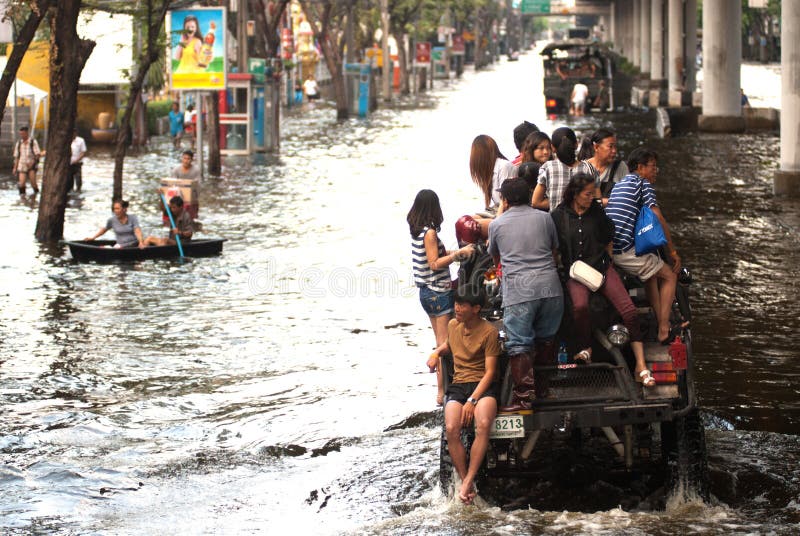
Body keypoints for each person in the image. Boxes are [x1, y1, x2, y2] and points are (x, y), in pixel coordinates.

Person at [551, 173, 654, 386]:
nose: (592, 198)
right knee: (579, 307)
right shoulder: (558, 216)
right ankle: (585, 347)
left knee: (629, 311)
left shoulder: (597, 212)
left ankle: (641, 365)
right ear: (575, 194)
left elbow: (609, 237)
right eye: (588, 194)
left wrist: (607, 261)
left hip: (602, 269)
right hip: (577, 273)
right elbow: (554, 248)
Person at [488, 178, 563, 411]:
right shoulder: (545, 218)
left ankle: (523, 399)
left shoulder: (497, 225)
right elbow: (554, 250)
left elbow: (496, 258)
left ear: (506, 199)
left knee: (519, 344)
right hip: (551, 289)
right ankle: (543, 390)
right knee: (546, 339)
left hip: (520, 292)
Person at [427, 285, 499, 504]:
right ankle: (466, 478)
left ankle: (467, 481)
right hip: (459, 384)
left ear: (476, 308)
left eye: (462, 305)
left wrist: (472, 401)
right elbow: (449, 344)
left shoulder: (489, 332)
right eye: (456, 304)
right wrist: (436, 352)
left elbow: (490, 373)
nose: (456, 308)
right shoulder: (452, 325)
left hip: (481, 386)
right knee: (451, 427)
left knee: (483, 423)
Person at [606, 147, 680, 345]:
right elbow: (657, 216)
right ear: (640, 168)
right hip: (626, 250)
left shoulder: (619, 185)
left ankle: (659, 321)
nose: (656, 171)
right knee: (670, 275)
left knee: (651, 276)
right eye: (653, 167)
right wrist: (672, 252)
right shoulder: (642, 184)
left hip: (613, 249)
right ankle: (664, 329)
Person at [409, 190, 475, 406]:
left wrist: (459, 251)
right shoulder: (429, 233)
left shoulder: (418, 232)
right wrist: (457, 255)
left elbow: (439, 254)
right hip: (438, 292)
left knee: (440, 340)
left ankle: (442, 391)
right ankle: (442, 392)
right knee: (444, 343)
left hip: (426, 293)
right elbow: (435, 263)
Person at [532, 127, 592, 212]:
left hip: (556, 223)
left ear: (552, 148)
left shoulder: (548, 168)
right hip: (583, 223)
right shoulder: (589, 168)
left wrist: (556, 201)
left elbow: (536, 202)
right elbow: (596, 199)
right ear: (576, 144)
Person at [469, 134, 514, 213]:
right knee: (465, 220)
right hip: (500, 210)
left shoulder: (504, 166)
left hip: (508, 212)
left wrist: (496, 222)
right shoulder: (490, 171)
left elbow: (506, 201)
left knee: (467, 223)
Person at [583, 128, 628, 205]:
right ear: (596, 147)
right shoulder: (584, 168)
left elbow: (627, 198)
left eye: (615, 147)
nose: (614, 151)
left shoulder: (621, 167)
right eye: (610, 146)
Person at [12, 126, 41, 195]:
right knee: (21, 184)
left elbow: (38, 154)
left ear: (27, 133)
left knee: (33, 183)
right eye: (21, 134)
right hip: (22, 165)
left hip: (31, 166)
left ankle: (36, 195)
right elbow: (17, 157)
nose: (22, 135)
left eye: (23, 134)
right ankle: (23, 198)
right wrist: (15, 168)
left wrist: (32, 162)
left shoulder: (33, 142)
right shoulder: (19, 143)